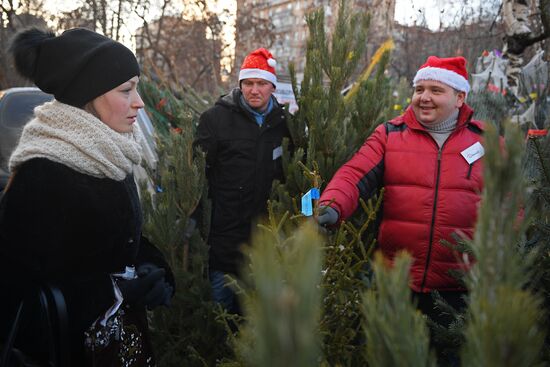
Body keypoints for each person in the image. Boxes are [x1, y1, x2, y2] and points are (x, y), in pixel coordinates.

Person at [0, 28, 174, 366]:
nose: (139, 102)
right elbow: (11, 294)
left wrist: (152, 269)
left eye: (136, 88)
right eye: (126, 90)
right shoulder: (41, 175)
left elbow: (116, 242)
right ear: (87, 95)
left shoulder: (112, 157)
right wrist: (113, 295)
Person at [317, 56, 483, 357]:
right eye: (419, 89)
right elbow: (355, 173)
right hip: (397, 284)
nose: (424, 97)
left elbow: (511, 202)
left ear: (460, 97)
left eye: (435, 90)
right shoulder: (390, 135)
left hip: (459, 291)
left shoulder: (486, 144)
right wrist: (332, 205)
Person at [196, 48, 292, 314]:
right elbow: (195, 175)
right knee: (221, 318)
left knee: (256, 321)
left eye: (261, 83)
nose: (254, 90)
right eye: (248, 83)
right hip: (223, 240)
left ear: (272, 87)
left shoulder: (286, 125)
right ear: (240, 84)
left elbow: (298, 176)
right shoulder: (215, 120)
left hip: (266, 243)